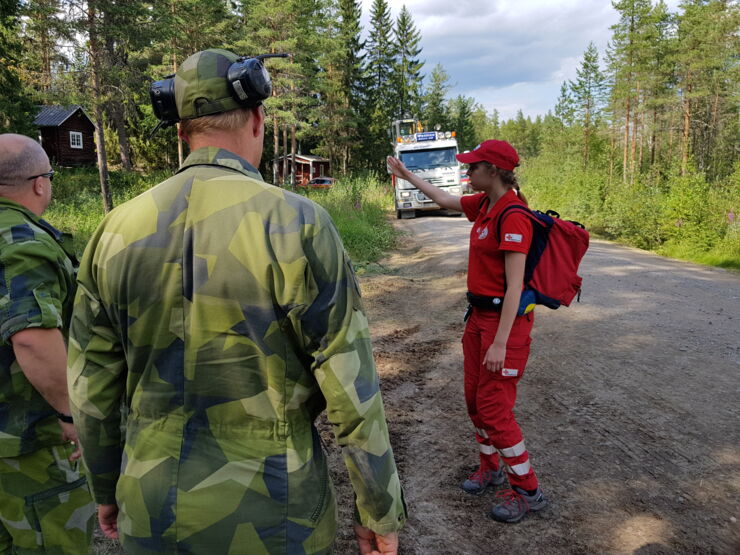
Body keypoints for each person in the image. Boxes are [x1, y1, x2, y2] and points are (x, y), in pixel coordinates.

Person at [67, 48, 406, 554]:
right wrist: (377, 508)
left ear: (182, 134)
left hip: (151, 506)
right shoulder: (298, 223)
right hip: (276, 515)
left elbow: (90, 389)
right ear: (258, 121)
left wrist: (105, 487)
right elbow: (351, 387)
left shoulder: (114, 230)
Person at [387, 139, 547, 524]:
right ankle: (490, 468)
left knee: (495, 410)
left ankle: (528, 491)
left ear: (492, 171)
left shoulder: (513, 216)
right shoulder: (486, 205)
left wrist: (501, 341)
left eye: (473, 167)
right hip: (477, 320)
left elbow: (514, 288)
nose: (467, 172)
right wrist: (406, 175)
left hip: (501, 325)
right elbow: (445, 200)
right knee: (475, 402)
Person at [0, 134, 95, 553]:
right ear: (40, 183)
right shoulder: (22, 243)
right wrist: (71, 412)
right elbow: (34, 339)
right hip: (26, 444)